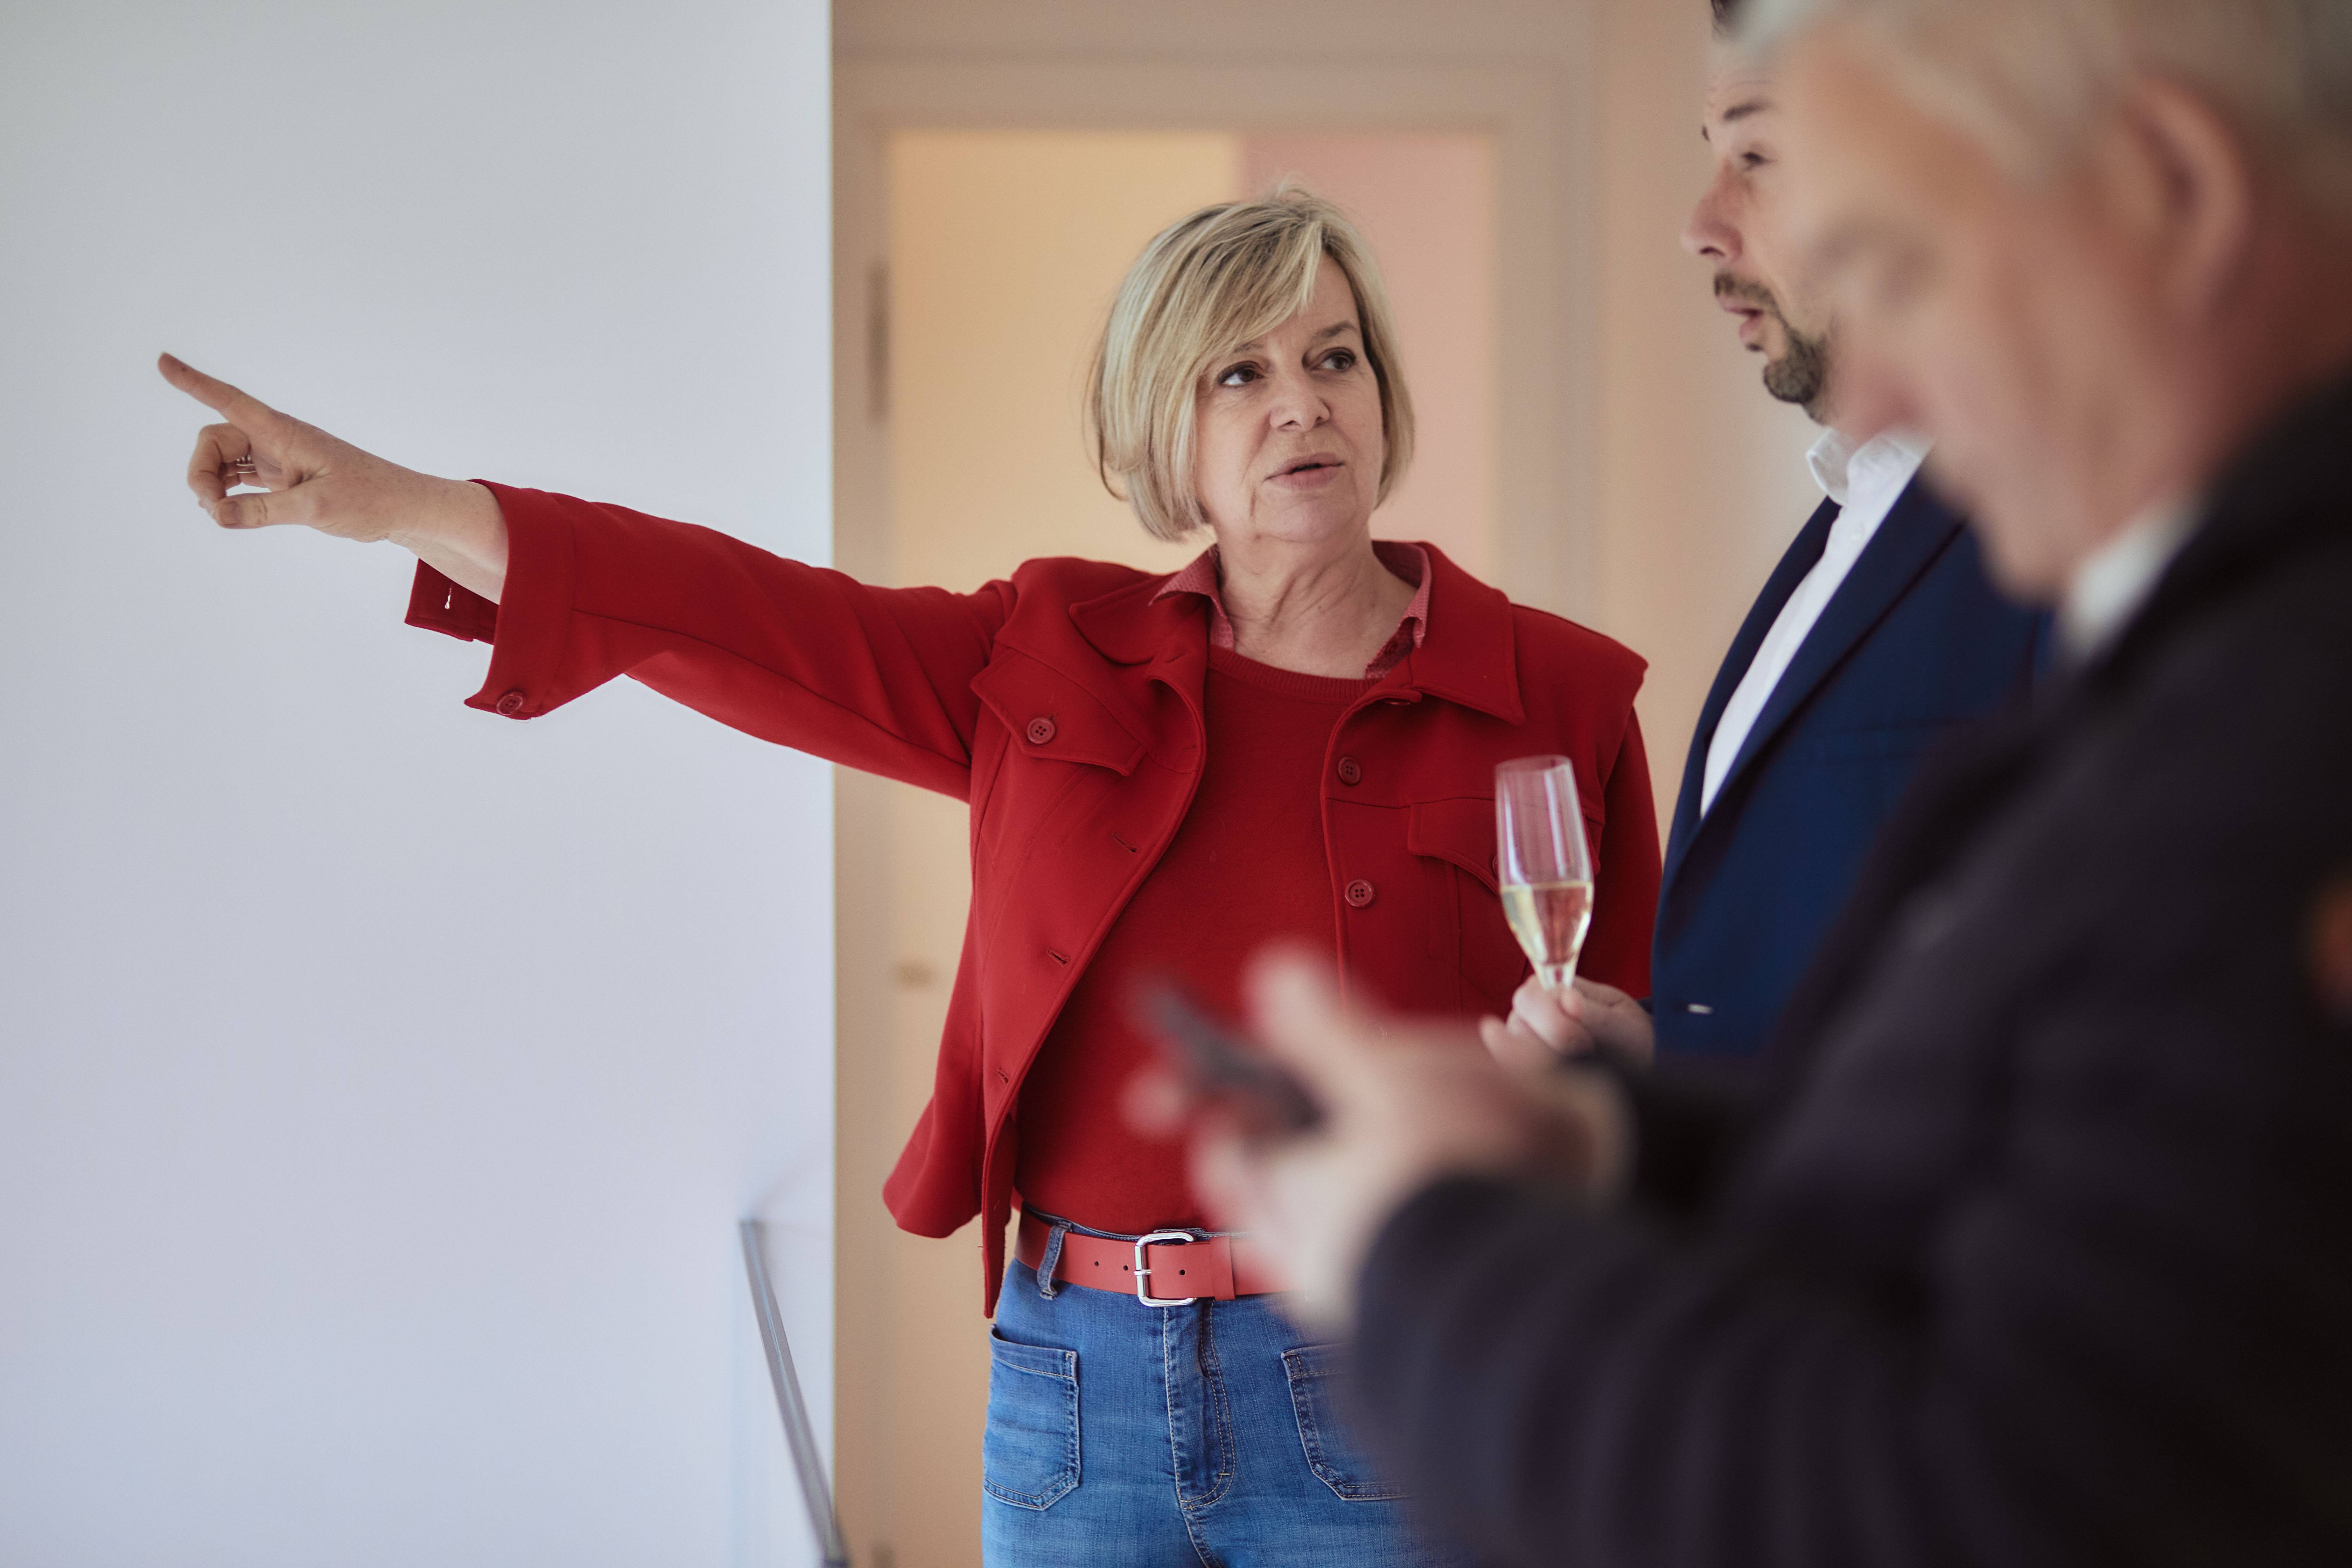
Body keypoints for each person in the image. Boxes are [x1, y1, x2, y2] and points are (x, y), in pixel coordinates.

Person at [160, 189, 1661, 1567]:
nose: (1300, 407)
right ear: (1169, 426)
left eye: (1334, 358)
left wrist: (1618, 1072)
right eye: (1239, 374)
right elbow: (733, 612)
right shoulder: (1051, 654)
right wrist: (395, 501)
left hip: (1399, 1364)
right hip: (1074, 1381)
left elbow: (1670, 1067)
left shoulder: (1562, 695)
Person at [1177, 2, 2352, 1562]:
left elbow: (2001, 1496)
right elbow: (2023, 1159)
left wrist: (1423, 1252)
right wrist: (1605, 1149)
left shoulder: (2285, 725)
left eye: (1899, 272)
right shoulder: (2203, 651)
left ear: (2171, 193)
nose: (1876, 406)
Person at [1506, 0, 2046, 1071]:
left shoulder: (2047, 529)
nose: (1699, 224)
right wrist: (1662, 1068)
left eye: (1758, 152)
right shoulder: (1848, 518)